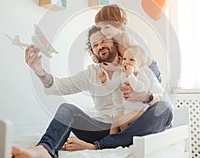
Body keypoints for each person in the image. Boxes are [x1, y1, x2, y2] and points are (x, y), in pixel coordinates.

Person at [12, 26, 172, 158]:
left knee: (166, 109)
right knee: (67, 109)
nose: (99, 46)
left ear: (115, 44)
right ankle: (45, 150)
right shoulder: (91, 73)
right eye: (95, 45)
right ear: (93, 52)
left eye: (103, 41)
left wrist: (144, 96)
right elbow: (60, 86)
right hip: (100, 128)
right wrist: (39, 71)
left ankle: (97, 147)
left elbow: (163, 99)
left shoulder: (134, 65)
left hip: (133, 127)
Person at [94, 4, 162, 83]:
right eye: (101, 28)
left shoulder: (125, 41)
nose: (103, 31)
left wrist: (114, 68)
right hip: (140, 69)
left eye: (107, 27)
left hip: (149, 70)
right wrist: (98, 58)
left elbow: (130, 65)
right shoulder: (114, 39)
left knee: (151, 90)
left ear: (120, 26)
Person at [109, 45, 157, 134]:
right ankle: (114, 141)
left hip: (140, 111)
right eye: (124, 59)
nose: (127, 62)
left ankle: (120, 139)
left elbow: (139, 88)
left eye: (132, 60)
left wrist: (131, 75)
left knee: (122, 122)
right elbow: (115, 87)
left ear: (141, 64)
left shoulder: (141, 75)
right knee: (117, 123)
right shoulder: (124, 75)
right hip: (128, 110)